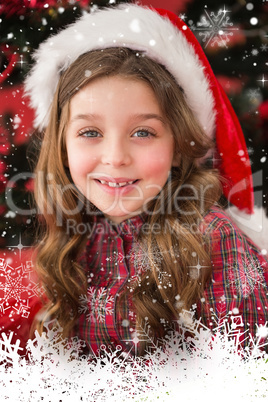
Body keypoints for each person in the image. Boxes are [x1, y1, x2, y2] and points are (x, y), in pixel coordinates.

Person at [24, 4, 268, 356]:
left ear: (178, 144)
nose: (115, 157)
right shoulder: (75, 237)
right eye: (90, 131)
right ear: (62, 147)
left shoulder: (212, 239)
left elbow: (246, 374)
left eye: (142, 132)